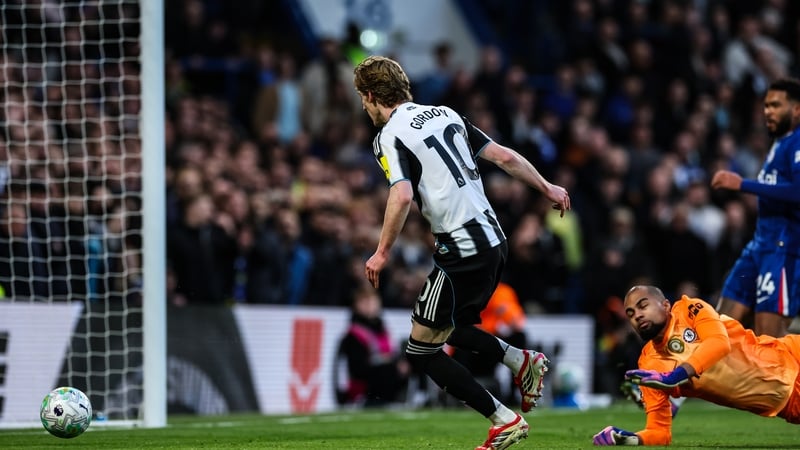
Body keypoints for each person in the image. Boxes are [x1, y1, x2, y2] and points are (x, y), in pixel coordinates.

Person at [353, 55, 571, 450]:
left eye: (363, 100)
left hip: (463, 247)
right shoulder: (445, 114)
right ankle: (522, 362)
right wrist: (547, 186)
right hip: (494, 240)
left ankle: (504, 418)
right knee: (448, 326)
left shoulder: (389, 135)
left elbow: (401, 195)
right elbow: (504, 156)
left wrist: (382, 251)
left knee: (421, 349)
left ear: (370, 95)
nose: (364, 108)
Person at [593, 285, 800, 446]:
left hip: (792, 353)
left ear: (665, 305)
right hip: (788, 403)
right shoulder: (649, 366)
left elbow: (719, 343)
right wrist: (630, 439)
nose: (637, 315)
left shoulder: (690, 308)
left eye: (643, 306)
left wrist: (675, 377)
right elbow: (660, 432)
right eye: (630, 313)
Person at [710, 77, 800, 338]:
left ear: (796, 109)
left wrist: (743, 185)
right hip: (759, 247)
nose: (767, 112)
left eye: (775, 105)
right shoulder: (780, 143)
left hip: (782, 251)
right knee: (719, 328)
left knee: (769, 343)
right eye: (765, 106)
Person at [334, 285, 409, 407]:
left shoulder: (382, 328)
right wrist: (386, 361)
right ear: (356, 305)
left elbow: (392, 352)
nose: (370, 305)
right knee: (387, 371)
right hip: (367, 380)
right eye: (365, 301)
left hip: (385, 374)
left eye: (373, 301)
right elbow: (357, 368)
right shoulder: (354, 334)